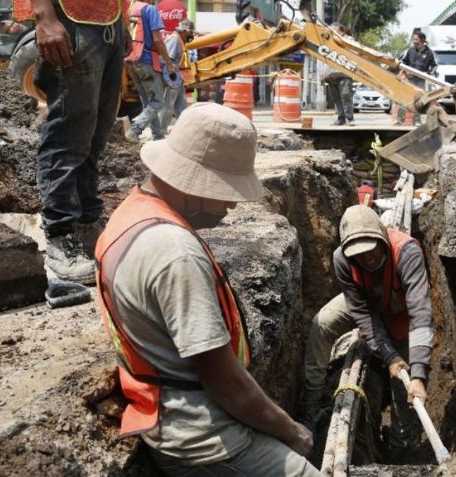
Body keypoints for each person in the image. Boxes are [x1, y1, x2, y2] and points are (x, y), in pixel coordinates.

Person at [96, 103, 319, 477]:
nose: (231, 203)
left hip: (172, 418)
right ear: (192, 182)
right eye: (224, 189)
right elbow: (226, 382)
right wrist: (292, 431)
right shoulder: (176, 253)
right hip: (207, 440)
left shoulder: (131, 214)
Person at [301, 205, 433, 453]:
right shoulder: (342, 258)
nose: (368, 258)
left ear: (382, 237)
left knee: (404, 388)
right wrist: (387, 354)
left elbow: (420, 314)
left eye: (372, 249)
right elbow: (361, 311)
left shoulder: (407, 252)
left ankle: (402, 444)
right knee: (322, 323)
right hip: (368, 304)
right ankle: (311, 405)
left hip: (401, 312)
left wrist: (418, 373)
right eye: (360, 254)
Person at [31, 0, 130, 284]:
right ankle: (60, 237)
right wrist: (44, 15)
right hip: (69, 18)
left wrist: (120, 19)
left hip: (107, 23)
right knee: (69, 134)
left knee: (96, 133)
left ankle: (87, 225)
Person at [124, 0, 177, 142]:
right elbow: (158, 40)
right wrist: (169, 64)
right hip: (147, 60)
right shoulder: (150, 9)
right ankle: (134, 130)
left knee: (148, 103)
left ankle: (158, 136)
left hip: (131, 59)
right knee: (157, 103)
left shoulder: (130, 8)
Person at [396, 30, 437, 126]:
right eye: (413, 39)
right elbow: (403, 62)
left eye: (416, 39)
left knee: (418, 102)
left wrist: (428, 73)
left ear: (422, 40)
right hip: (409, 80)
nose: (414, 41)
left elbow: (434, 66)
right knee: (404, 99)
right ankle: (400, 120)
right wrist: (404, 72)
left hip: (420, 81)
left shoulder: (429, 53)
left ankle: (417, 121)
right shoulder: (410, 50)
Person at [159, 19, 194, 132]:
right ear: (184, 31)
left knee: (181, 108)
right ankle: (159, 133)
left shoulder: (179, 40)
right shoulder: (174, 40)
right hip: (173, 79)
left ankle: (182, 133)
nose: (192, 35)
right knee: (168, 107)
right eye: (191, 32)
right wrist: (171, 80)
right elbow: (168, 61)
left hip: (178, 80)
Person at [322, 23, 355, 126]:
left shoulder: (349, 40)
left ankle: (349, 118)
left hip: (344, 74)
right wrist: (323, 76)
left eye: (333, 30)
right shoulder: (327, 41)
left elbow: (355, 54)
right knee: (336, 98)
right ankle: (341, 119)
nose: (331, 32)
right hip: (331, 75)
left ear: (341, 30)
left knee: (345, 95)